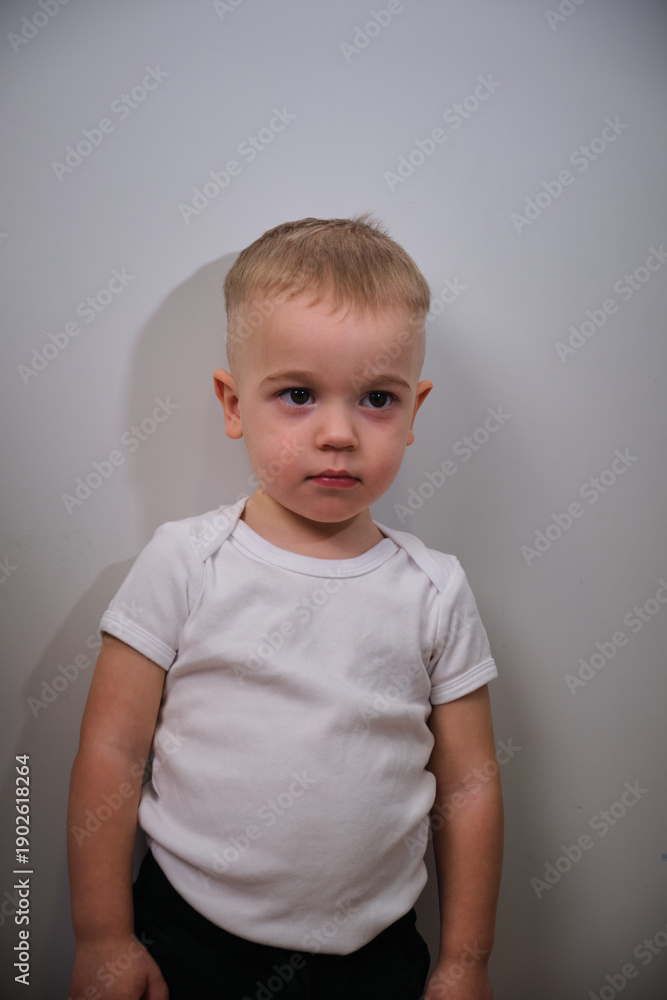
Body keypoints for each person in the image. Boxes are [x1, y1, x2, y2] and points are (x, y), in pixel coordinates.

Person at [67, 214, 504, 1000]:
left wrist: (465, 962)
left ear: (413, 412)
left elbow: (469, 786)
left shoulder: (433, 589)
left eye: (376, 399)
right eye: (298, 395)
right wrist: (102, 937)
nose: (337, 434)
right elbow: (111, 752)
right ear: (234, 404)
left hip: (375, 957)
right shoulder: (185, 561)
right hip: (192, 938)